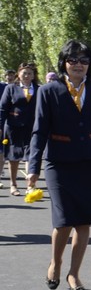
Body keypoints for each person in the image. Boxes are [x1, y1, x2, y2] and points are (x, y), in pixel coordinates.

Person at [28, 40, 91, 290]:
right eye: (73, 60)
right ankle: (56, 263)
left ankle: (74, 275)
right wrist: (33, 166)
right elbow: (39, 130)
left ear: (90, 64)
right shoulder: (49, 91)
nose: (78, 65)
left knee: (84, 224)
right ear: (64, 62)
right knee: (64, 220)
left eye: (84, 60)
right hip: (59, 162)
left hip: (88, 162)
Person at [0, 62, 39, 196]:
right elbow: (3, 108)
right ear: (19, 74)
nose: (27, 75)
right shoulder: (11, 88)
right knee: (13, 157)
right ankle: (13, 184)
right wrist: (0, 126)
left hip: (32, 127)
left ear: (34, 76)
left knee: (31, 156)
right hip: (13, 126)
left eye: (30, 73)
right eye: (24, 73)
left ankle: (30, 186)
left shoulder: (39, 89)